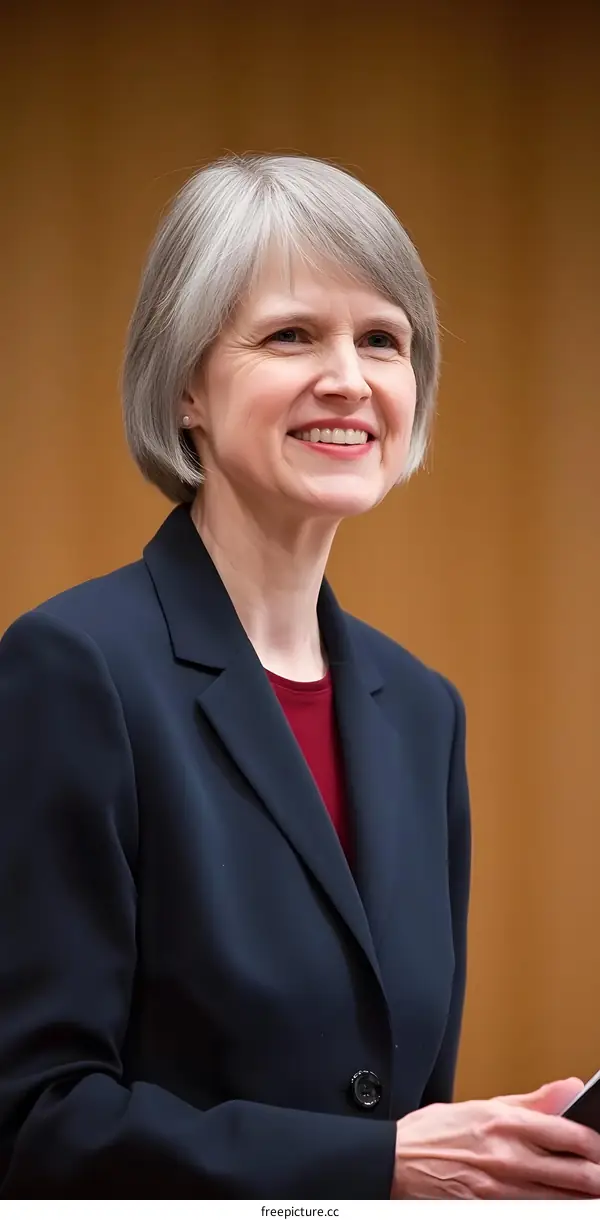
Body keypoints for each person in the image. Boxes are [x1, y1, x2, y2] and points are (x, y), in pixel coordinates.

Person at [0, 154, 598, 1201]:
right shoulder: (73, 668)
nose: (350, 378)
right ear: (185, 384)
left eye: (383, 339)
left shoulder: (422, 711)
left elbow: (403, 1109)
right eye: (291, 335)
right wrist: (377, 1163)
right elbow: (35, 1120)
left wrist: (486, 1159)